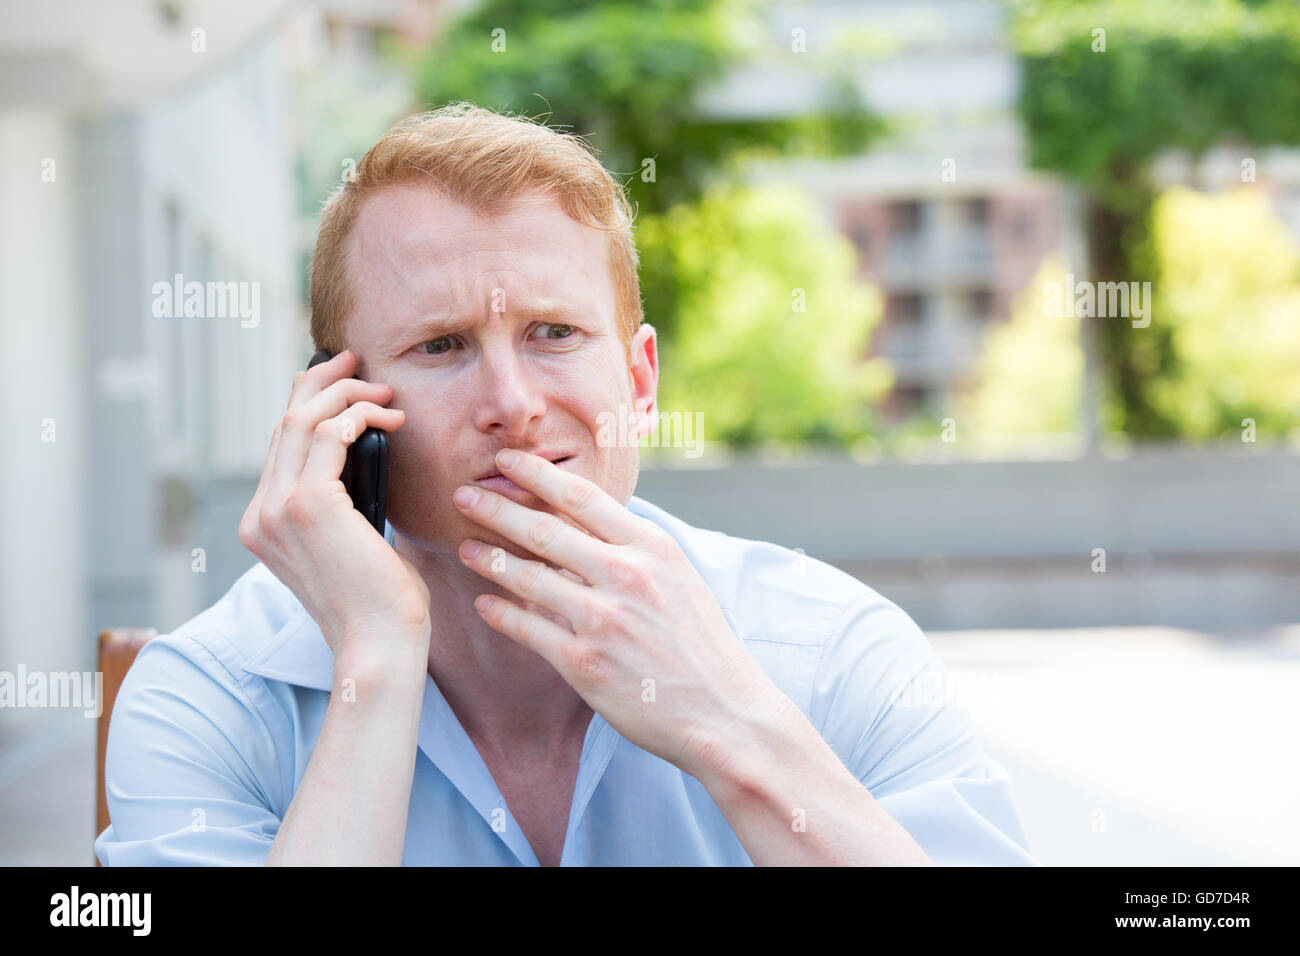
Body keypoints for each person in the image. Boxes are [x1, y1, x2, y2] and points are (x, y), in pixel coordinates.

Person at [95, 102, 1035, 866]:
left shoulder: (834, 654)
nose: (513, 404)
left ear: (639, 381)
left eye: (555, 334)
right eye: (442, 346)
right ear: (336, 408)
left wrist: (727, 726)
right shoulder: (210, 697)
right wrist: (375, 663)